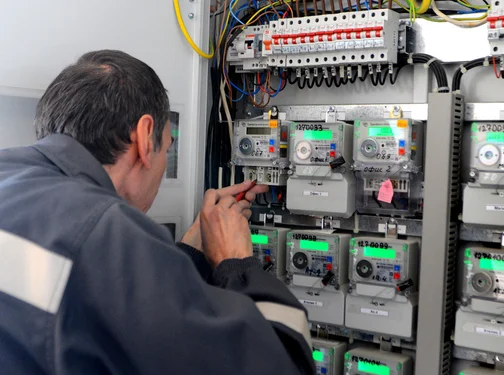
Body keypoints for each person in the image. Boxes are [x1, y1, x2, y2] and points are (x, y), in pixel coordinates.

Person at [0, 50, 314, 375]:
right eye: (167, 147)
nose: (164, 162)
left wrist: (186, 254)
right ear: (144, 136)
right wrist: (236, 265)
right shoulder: (105, 231)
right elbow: (281, 363)